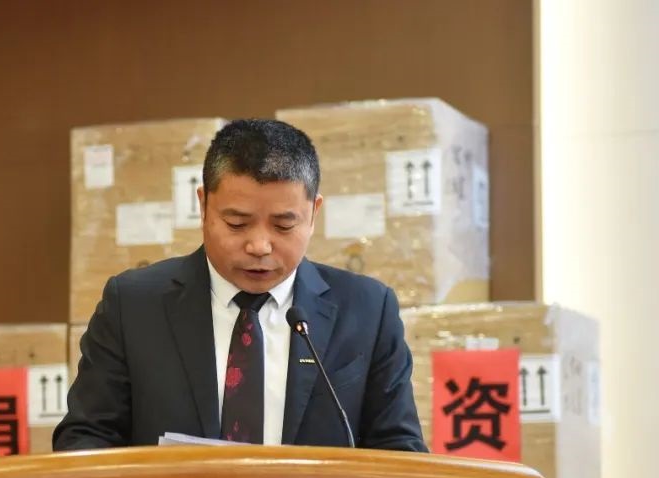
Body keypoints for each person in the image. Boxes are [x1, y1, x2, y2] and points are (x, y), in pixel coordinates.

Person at [53, 118, 427, 452]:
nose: (259, 246)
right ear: (203, 207)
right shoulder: (133, 305)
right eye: (236, 224)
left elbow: (400, 452)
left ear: (313, 214)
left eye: (283, 225)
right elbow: (85, 439)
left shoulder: (367, 310)